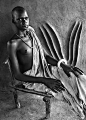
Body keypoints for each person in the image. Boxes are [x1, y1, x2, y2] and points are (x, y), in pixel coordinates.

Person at [7, 6, 85, 119]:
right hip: (32, 77)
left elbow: (44, 56)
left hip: (45, 69)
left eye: (26, 18)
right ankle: (81, 109)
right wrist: (44, 80)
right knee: (64, 90)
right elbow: (17, 75)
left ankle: (84, 103)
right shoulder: (13, 43)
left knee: (76, 75)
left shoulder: (31, 33)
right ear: (14, 21)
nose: (24, 21)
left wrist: (64, 65)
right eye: (20, 19)